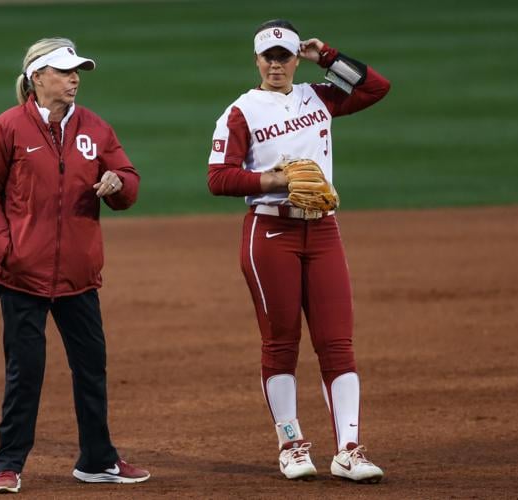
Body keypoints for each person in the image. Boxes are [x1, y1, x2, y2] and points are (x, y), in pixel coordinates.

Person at [207, 19, 391, 483]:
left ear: (294, 57)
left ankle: (349, 449)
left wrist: (325, 54)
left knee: (338, 343)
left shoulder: (319, 96)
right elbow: (219, 178)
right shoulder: (241, 111)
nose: (276, 65)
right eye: (268, 57)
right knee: (282, 342)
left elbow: (375, 88)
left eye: (284, 55)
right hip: (270, 234)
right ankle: (290, 444)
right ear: (256, 61)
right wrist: (275, 180)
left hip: (323, 231)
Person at [0, 37, 150, 494]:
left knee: (92, 369)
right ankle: (8, 465)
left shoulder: (94, 128)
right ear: (37, 78)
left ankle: (97, 459)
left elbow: (129, 181)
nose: (74, 79)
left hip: (78, 277)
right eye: (65, 72)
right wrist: (2, 248)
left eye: (77, 72)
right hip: (22, 276)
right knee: (24, 373)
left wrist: (117, 183)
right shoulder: (6, 129)